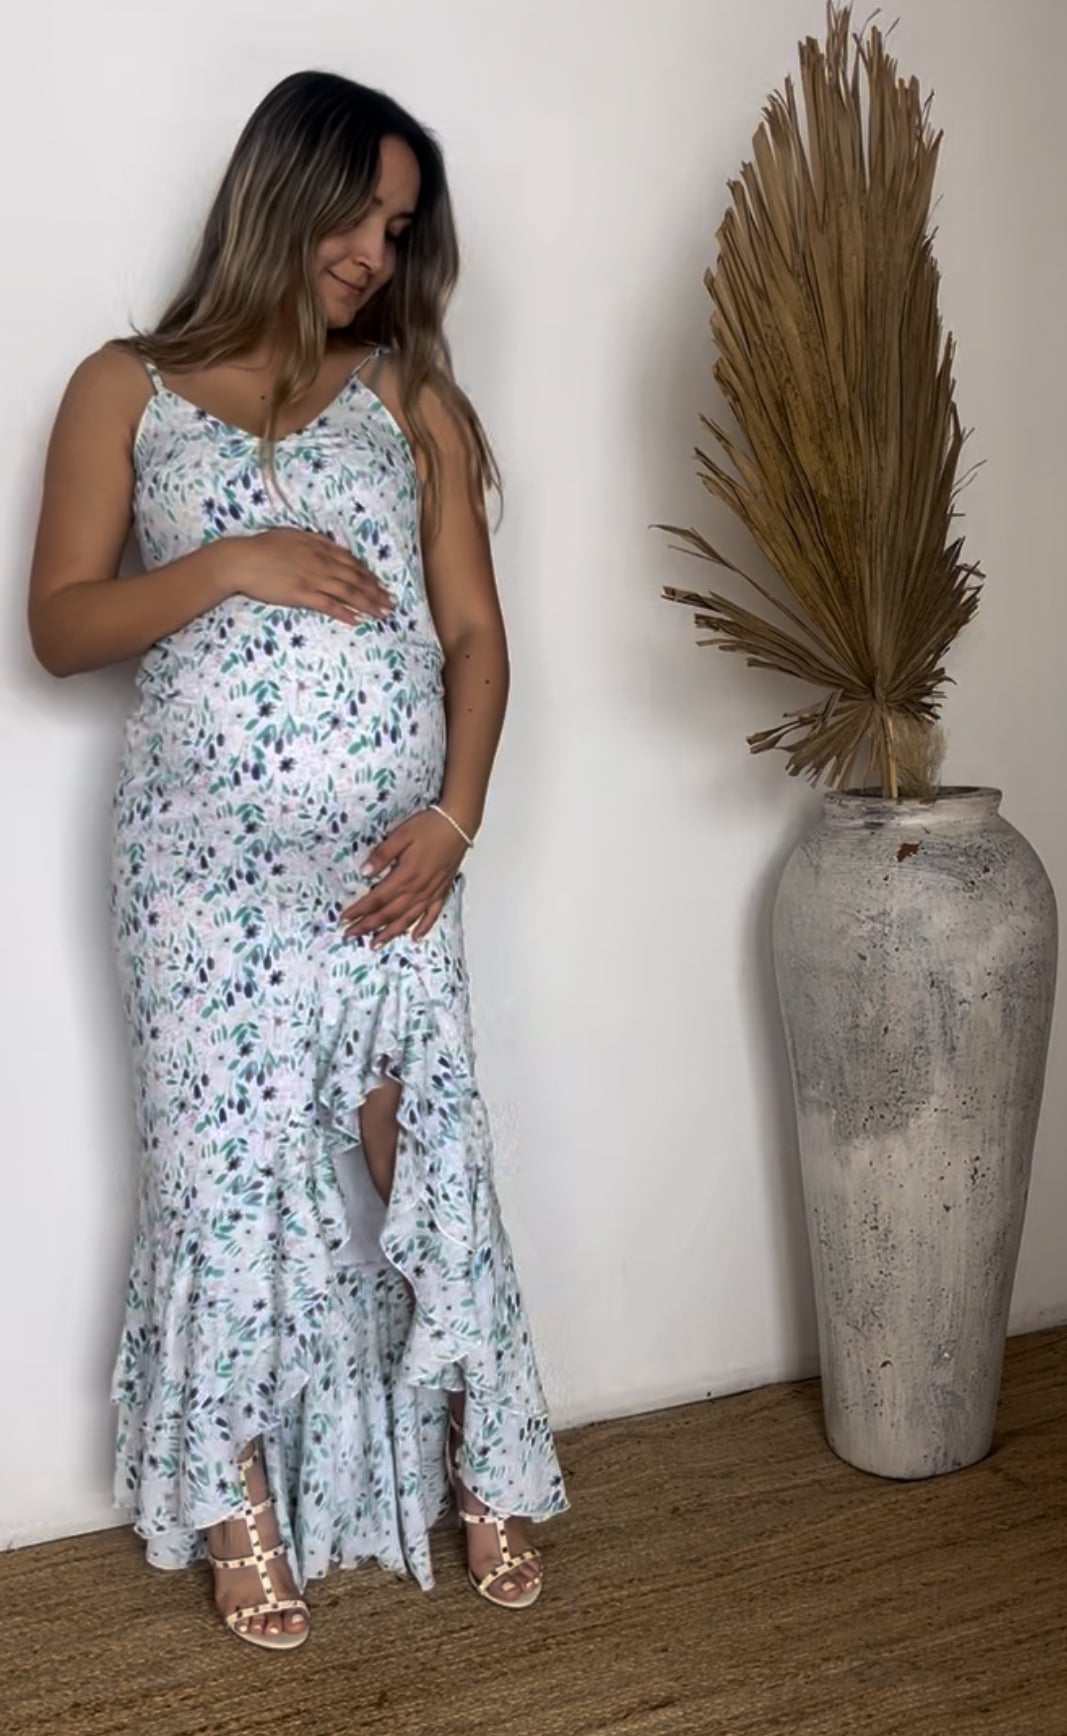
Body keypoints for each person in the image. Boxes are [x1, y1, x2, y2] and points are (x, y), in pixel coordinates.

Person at [27, 68, 569, 1651]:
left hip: (390, 866)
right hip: (199, 870)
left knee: (425, 1157)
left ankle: (482, 1458)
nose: (373, 254)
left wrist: (455, 820)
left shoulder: (409, 399)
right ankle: (236, 1496)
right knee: (221, 1172)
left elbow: (476, 639)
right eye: (359, 216)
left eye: (397, 232)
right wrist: (228, 564)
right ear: (283, 189)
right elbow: (60, 626)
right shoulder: (122, 388)